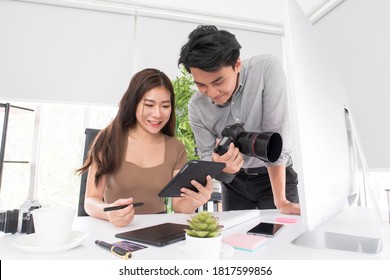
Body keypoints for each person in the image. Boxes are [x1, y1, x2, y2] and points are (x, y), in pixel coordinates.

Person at [178, 25, 300, 215]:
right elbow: (206, 156)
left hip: (276, 179)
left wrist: (281, 200)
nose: (211, 93)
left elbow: (276, 141)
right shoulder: (196, 106)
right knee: (236, 239)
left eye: (218, 82)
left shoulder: (266, 69)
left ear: (237, 64)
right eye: (201, 85)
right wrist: (222, 167)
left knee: (285, 236)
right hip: (235, 184)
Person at [77, 68, 214, 227]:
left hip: (156, 230)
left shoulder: (176, 148)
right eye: (149, 105)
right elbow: (90, 201)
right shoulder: (108, 140)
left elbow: (179, 206)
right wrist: (109, 211)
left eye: (165, 106)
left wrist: (196, 201)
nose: (157, 114)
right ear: (133, 103)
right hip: (114, 229)